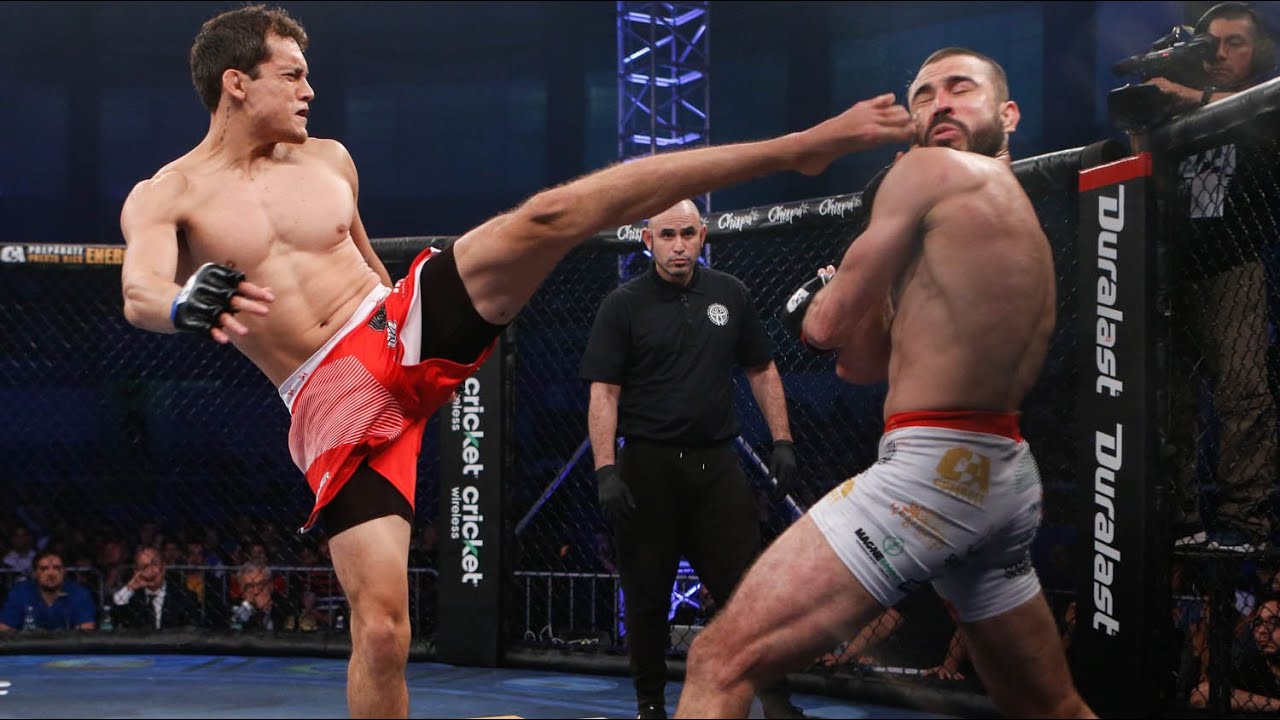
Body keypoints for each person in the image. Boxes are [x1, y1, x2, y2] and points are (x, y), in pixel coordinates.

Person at [117, 5, 912, 716]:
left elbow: (374, 271)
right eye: (291, 74)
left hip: (393, 327)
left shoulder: (329, 159)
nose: (309, 90)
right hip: (328, 397)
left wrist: (414, 333)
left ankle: (795, 150)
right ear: (236, 82)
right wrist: (182, 306)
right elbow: (139, 291)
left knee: (548, 216)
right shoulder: (169, 193)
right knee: (384, 631)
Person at [674, 48, 1095, 718]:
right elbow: (865, 365)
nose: (940, 103)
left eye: (960, 88)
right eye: (924, 95)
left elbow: (826, 329)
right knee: (1051, 708)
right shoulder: (1009, 215)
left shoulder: (928, 171)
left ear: (1009, 113)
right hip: (1002, 475)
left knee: (717, 661)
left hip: (934, 469)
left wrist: (820, 295)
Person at [580, 199, 803, 719]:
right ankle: (650, 705)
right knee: (647, 596)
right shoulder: (623, 305)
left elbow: (762, 369)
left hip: (715, 466)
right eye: (667, 235)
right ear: (647, 241)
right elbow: (604, 391)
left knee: (747, 591)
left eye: (686, 234)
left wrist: (783, 440)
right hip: (648, 468)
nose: (678, 246)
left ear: (702, 235)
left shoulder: (730, 293)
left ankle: (777, 702)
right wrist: (605, 469)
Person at [1149, 2, 1279, 552]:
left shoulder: (1267, 100)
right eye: (1211, 44)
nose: (1220, 54)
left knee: (1243, 395)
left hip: (1234, 264)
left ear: (1258, 51)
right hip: (1169, 269)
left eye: (1235, 43)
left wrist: (1190, 98)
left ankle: (1245, 526)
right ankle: (1179, 522)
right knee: (1167, 401)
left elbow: (1255, 115)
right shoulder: (1177, 108)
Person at [1191, 592, 1280, 712]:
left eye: (1274, 623)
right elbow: (1201, 694)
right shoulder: (1251, 664)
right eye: (1258, 623)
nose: (1262, 630)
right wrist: (1275, 704)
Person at [108, 546, 203, 630]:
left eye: (154, 565)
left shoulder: (184, 596)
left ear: (163, 568)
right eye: (144, 567)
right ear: (136, 571)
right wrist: (130, 587)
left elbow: (192, 629)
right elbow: (114, 615)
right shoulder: (131, 597)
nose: (150, 571)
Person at [0, 550, 96, 631]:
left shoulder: (79, 593)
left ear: (64, 572)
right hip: (28, 647)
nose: (51, 573)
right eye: (44, 569)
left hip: (68, 647)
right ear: (34, 573)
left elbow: (87, 630)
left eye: (57, 568)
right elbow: (4, 630)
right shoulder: (20, 593)